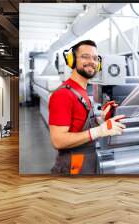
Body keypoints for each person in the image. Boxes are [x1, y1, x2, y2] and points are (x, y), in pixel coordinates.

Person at [48, 40, 125, 175]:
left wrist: (100, 120)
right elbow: (58, 141)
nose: (92, 61)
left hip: (86, 160)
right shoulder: (63, 95)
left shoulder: (81, 91)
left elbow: (78, 124)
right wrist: (98, 131)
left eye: (95, 58)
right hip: (74, 163)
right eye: (85, 56)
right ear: (72, 60)